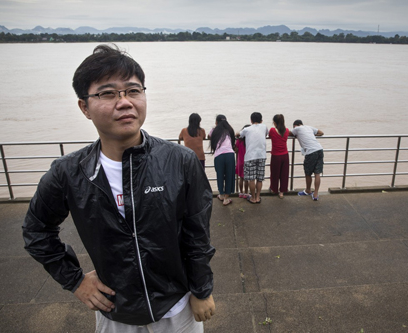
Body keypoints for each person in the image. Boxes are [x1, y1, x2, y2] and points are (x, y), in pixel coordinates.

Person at [22, 44, 216, 332]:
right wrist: (75, 280)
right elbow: (36, 230)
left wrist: (202, 290)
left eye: (133, 90)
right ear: (84, 107)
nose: (124, 102)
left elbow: (197, 233)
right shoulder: (69, 172)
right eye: (107, 93)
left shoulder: (179, 161)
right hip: (115, 312)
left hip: (179, 308)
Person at [238, 112, 268, 204]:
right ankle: (258, 197)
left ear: (251, 120)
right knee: (259, 178)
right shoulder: (264, 127)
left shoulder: (247, 129)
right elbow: (266, 134)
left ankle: (253, 198)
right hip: (262, 155)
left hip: (250, 156)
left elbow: (239, 134)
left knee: (251, 179)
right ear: (261, 120)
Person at [290, 119, 324, 201]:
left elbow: (287, 133)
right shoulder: (309, 127)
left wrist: (296, 135)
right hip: (319, 149)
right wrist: (312, 135)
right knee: (317, 173)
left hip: (311, 152)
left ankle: (308, 190)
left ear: (295, 125)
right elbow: (321, 133)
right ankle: (315, 194)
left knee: (308, 172)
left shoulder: (296, 129)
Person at [208, 114, 235, 206]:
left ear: (216, 122)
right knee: (229, 175)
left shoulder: (214, 130)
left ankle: (221, 194)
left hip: (219, 155)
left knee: (220, 174)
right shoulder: (230, 130)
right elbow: (233, 141)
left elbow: (209, 136)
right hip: (230, 154)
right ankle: (226, 198)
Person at [269, 114, 290, 199]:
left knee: (274, 173)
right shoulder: (287, 131)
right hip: (285, 155)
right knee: (284, 174)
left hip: (276, 156)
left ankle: (274, 189)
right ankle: (281, 192)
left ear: (274, 123)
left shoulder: (272, 130)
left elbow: (270, 136)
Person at [235, 125, 250, 199]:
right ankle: (246, 193)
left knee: (241, 178)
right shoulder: (250, 141)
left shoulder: (239, 140)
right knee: (246, 179)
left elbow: (236, 149)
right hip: (247, 161)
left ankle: (241, 192)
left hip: (240, 161)